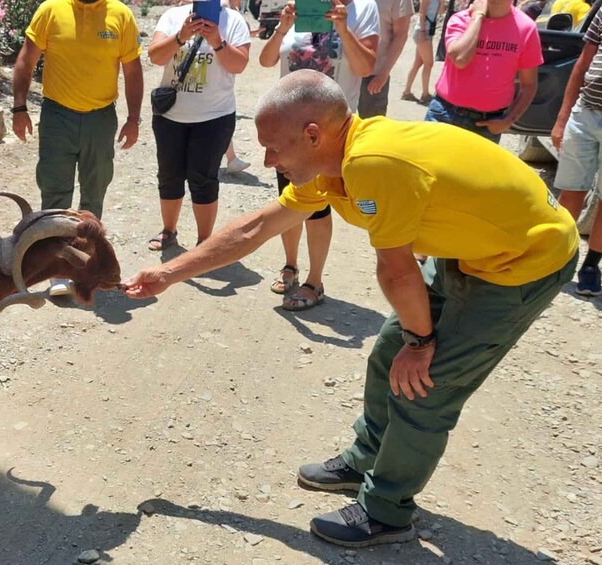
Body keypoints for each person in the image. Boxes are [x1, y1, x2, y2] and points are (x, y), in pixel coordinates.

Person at [123, 70, 579, 548]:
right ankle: (366, 458)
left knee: (425, 387)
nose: (266, 159)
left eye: (274, 148)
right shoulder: (331, 164)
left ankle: (387, 512)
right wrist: (169, 273)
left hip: (522, 261)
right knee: (388, 354)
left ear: (313, 135)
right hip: (471, 249)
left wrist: (422, 344)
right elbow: (255, 228)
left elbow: (397, 272)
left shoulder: (373, 163)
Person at [12, 0, 143, 296]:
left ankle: (87, 268)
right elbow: (26, 60)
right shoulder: (51, 10)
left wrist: (133, 118)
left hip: (101, 118)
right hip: (58, 116)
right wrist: (19, 107)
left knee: (94, 193)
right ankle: (56, 268)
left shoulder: (120, 15)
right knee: (55, 192)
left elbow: (132, 70)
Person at [259, 0, 379, 310]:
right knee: (288, 199)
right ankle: (290, 265)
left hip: (328, 134)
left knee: (318, 207)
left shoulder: (363, 9)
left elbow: (366, 67)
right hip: (289, 132)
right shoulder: (299, 5)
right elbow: (266, 60)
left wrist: (343, 27)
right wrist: (282, 27)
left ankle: (315, 280)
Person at [146, 2, 252, 250]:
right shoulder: (173, 16)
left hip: (214, 117)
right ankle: (168, 231)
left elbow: (239, 65)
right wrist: (182, 35)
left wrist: (217, 41)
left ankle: (205, 243)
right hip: (170, 115)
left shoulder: (234, 21)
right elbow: (155, 56)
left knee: (203, 180)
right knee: (169, 176)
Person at [552, 0, 602, 295]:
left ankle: (591, 266)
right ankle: (555, 260)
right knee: (571, 190)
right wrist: (562, 117)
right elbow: (583, 63)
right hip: (585, 112)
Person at [426, 0, 542, 142]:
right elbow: (460, 59)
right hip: (444, 114)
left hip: (488, 124)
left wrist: (508, 120)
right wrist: (478, 17)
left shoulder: (527, 28)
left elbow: (529, 85)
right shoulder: (462, 19)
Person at [358, 0, 414, 117]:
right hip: (343, 69)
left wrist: (383, 74)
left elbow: (401, 35)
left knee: (372, 126)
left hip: (374, 74)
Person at [402, 0, 445, 103]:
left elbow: (440, 12)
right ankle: (425, 94)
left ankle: (406, 92)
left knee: (418, 63)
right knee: (429, 63)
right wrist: (422, 32)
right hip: (423, 32)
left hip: (427, 32)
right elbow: (422, 12)